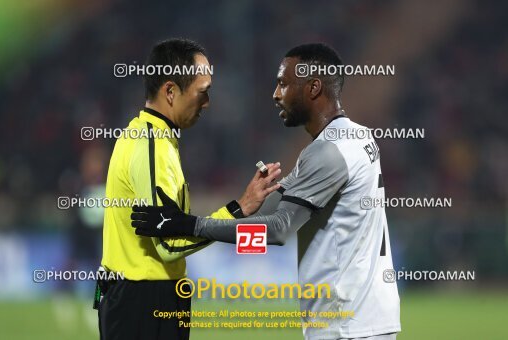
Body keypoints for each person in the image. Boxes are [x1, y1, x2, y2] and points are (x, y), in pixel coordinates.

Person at [131, 43, 401, 340]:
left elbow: (278, 232)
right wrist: (247, 203)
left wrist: (189, 225)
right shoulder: (357, 136)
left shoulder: (327, 152)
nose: (275, 94)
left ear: (313, 88)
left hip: (349, 325)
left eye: (284, 84)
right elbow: (289, 211)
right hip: (366, 316)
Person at [99, 38, 281, 340]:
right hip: (145, 300)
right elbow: (169, 245)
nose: (207, 103)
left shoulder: (144, 135)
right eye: (202, 92)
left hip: (139, 296)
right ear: (170, 91)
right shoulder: (153, 146)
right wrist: (238, 210)